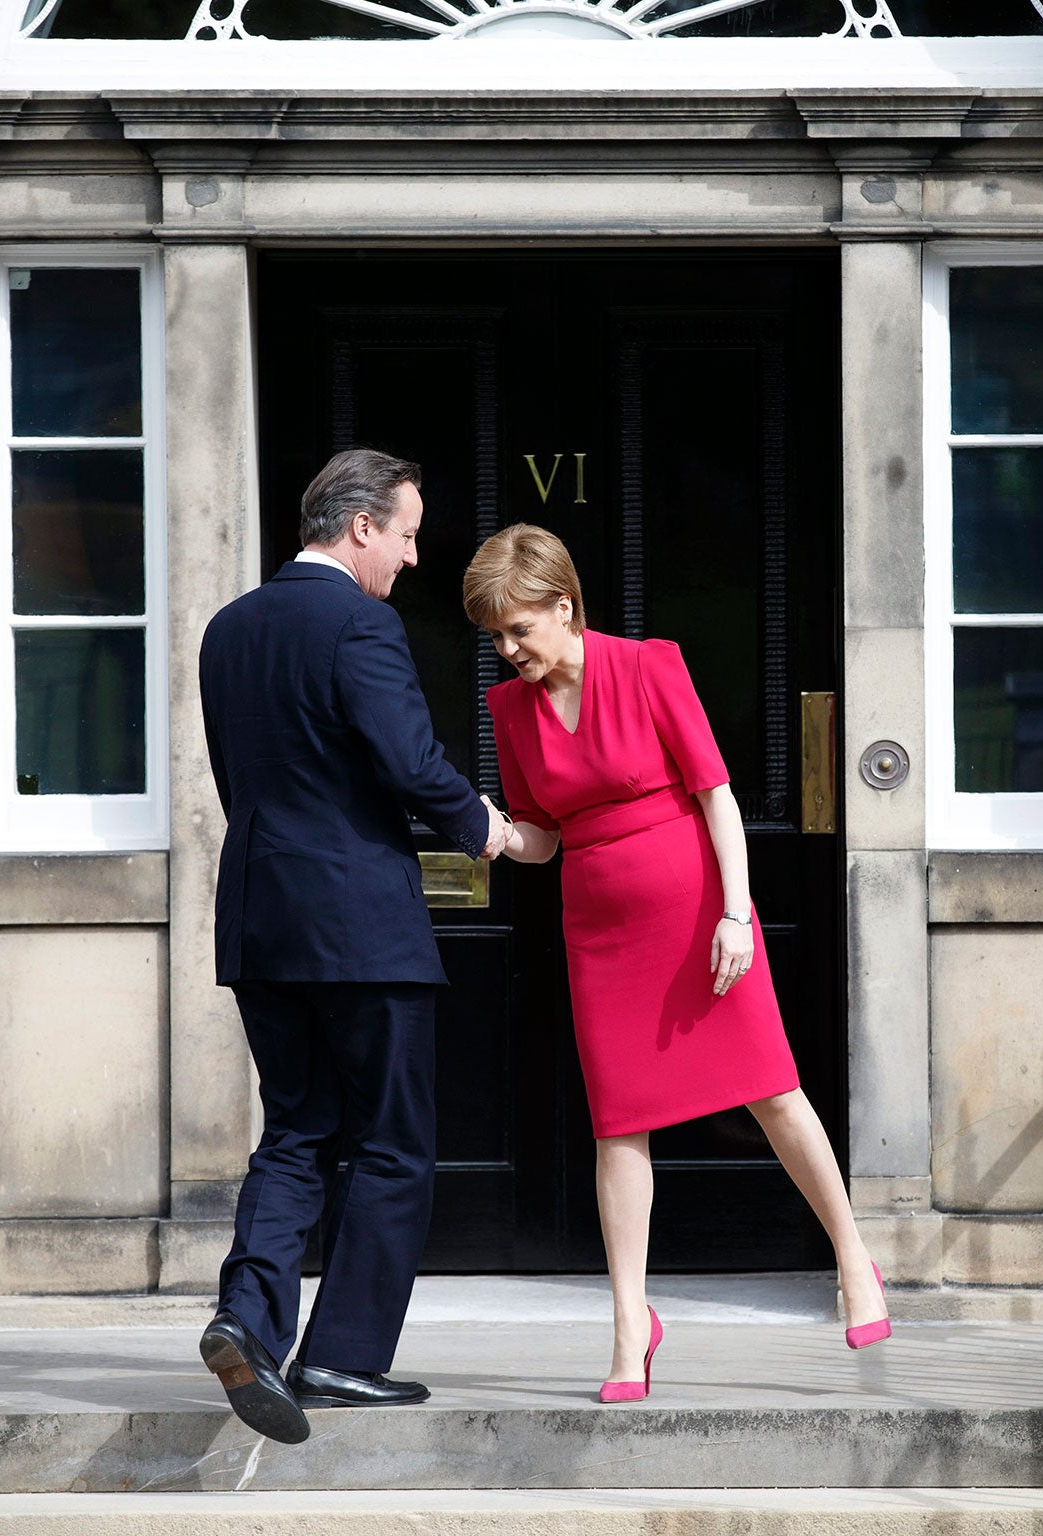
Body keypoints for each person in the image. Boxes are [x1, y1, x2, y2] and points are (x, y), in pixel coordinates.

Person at [464, 523, 890, 1402]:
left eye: (519, 630)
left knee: (772, 1089)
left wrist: (738, 915)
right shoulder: (510, 710)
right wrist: (498, 833)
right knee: (620, 1126)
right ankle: (631, 1326)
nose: (508, 652)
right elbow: (547, 836)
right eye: (495, 638)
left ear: (563, 604)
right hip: (600, 933)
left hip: (702, 915)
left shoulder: (651, 666)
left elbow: (717, 796)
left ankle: (854, 1260)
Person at [197, 448, 509, 1443]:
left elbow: (240, 779)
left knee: (295, 1131)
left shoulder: (228, 628)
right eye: (408, 534)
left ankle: (245, 1318)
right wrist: (492, 830)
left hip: (259, 918)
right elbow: (408, 762)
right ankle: (338, 1358)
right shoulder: (359, 624)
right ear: (361, 525)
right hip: (358, 930)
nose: (411, 558)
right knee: (389, 1142)